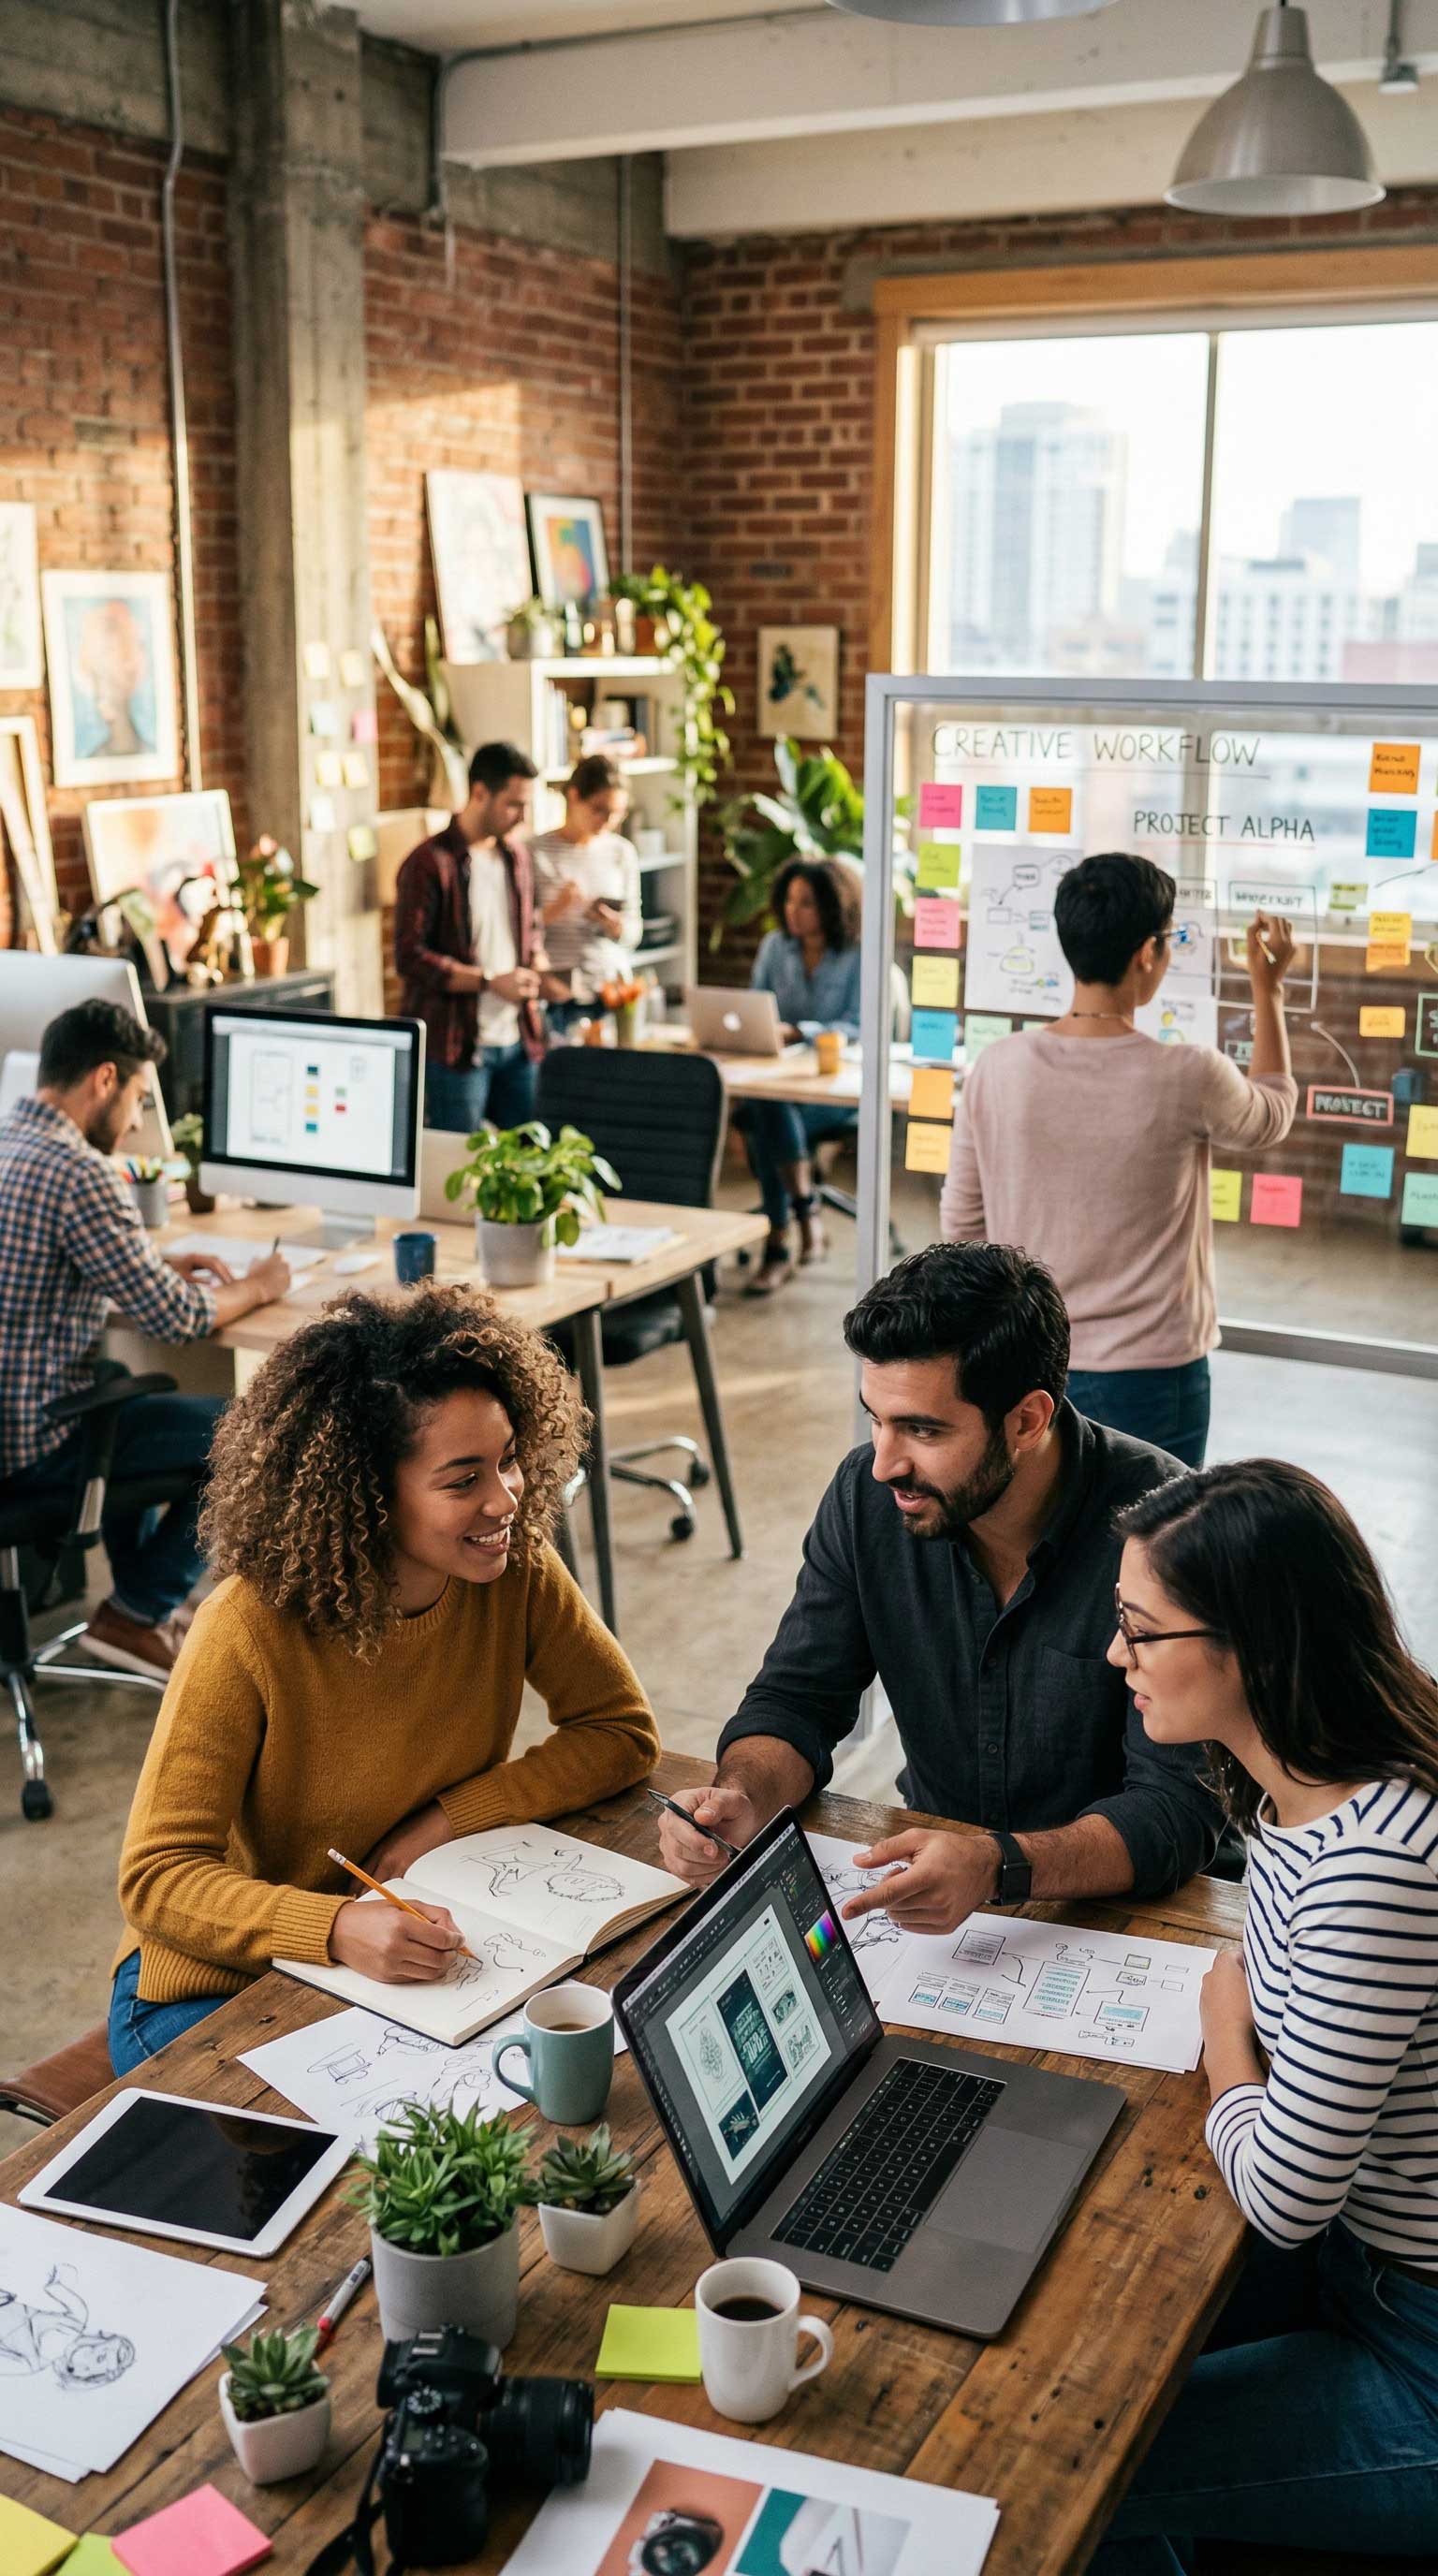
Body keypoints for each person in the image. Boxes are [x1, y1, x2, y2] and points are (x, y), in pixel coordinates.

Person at [110, 1283, 660, 2076]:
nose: (506, 1499)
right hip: (215, 1987)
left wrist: (445, 1820)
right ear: (367, 1492)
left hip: (403, 1954)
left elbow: (620, 1732)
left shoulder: (514, 1569)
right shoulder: (247, 1626)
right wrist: (332, 1927)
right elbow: (159, 1880)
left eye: (508, 1460)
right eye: (462, 1479)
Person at [1093, 1459, 1438, 2570]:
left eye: (1143, 1633)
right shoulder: (1302, 1779)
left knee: (1089, 2468)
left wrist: (1229, 2037)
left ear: (1254, 1646)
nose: (1117, 1658)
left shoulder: (1375, 1861)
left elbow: (1287, 2194)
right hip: (1364, 2269)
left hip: (1415, 2340)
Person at [655, 1242, 1220, 1920]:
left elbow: (1176, 1809)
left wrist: (997, 1865)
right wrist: (743, 1796)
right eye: (876, 1419)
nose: (883, 1464)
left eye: (921, 1430)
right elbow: (798, 1697)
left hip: (1126, 1913)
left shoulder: (1169, 1529)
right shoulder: (866, 1501)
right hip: (937, 1890)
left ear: (1027, 1420)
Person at [941, 853, 1298, 1468]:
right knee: (1152, 1551)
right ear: (1146, 954)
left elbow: (962, 1227)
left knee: (1040, 1548)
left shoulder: (997, 1066)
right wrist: (1268, 990)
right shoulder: (1188, 1073)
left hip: (1028, 1368)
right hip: (1154, 1374)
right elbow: (1272, 1112)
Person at [0, 1001, 289, 1681]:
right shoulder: (82, 1173)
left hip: (9, 1427)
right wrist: (261, 1285)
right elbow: (180, 1321)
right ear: (104, 1079)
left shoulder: (10, 1141)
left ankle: (140, 1613)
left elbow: (37, 1271)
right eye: (136, 1099)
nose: (134, 1123)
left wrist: (151, 1265)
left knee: (127, 1402)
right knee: (264, 1435)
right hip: (39, 1445)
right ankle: (137, 1612)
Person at [393, 739, 550, 1134]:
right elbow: (409, 956)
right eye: (514, 804)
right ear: (479, 793)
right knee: (457, 1173)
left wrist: (537, 961)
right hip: (456, 1046)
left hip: (519, 1039)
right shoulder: (428, 863)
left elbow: (528, 929)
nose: (523, 817)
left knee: (527, 1170)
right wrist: (488, 982)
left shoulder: (517, 858)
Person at [739, 857, 864, 1295]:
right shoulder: (776, 946)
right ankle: (804, 1213)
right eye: (790, 901)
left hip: (834, 1090)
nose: (794, 912)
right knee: (769, 1106)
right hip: (779, 1083)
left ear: (832, 907)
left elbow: (861, 1026)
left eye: (806, 903)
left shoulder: (857, 954)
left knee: (767, 1120)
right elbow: (756, 1007)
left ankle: (778, 1243)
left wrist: (800, 1032)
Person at [532, 753, 642, 1031]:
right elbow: (517, 930)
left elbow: (634, 932)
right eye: (600, 809)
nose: (609, 821)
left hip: (611, 991)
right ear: (574, 796)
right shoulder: (535, 852)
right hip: (557, 993)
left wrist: (616, 927)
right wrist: (553, 911)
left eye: (618, 813)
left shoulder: (622, 852)